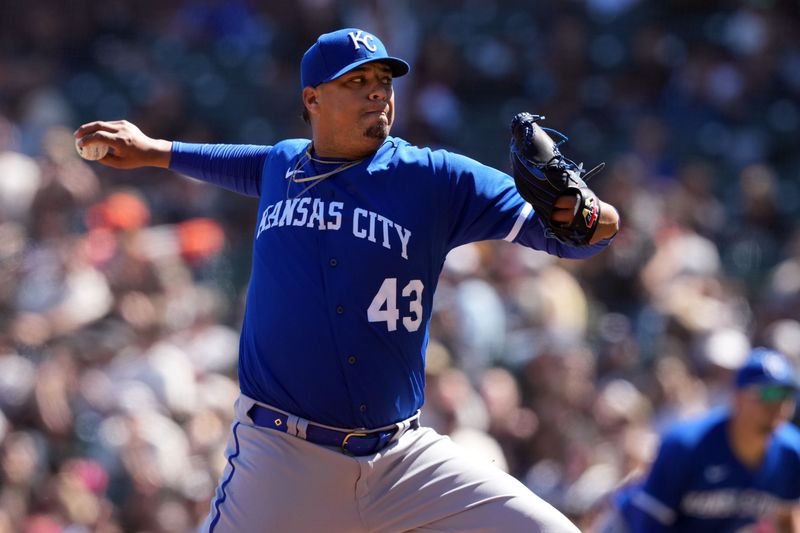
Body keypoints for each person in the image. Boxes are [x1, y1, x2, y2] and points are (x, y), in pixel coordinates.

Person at [75, 28, 619, 533]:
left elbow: (583, 233)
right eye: (356, 82)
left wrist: (581, 211)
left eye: (383, 82)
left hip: (403, 461)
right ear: (312, 99)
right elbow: (242, 163)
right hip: (283, 458)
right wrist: (157, 152)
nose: (376, 94)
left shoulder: (435, 177)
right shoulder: (284, 167)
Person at [606, 347, 800, 532]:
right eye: (769, 393)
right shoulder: (687, 444)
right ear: (737, 397)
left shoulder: (791, 453)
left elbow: (785, 517)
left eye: (786, 394)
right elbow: (648, 520)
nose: (778, 403)